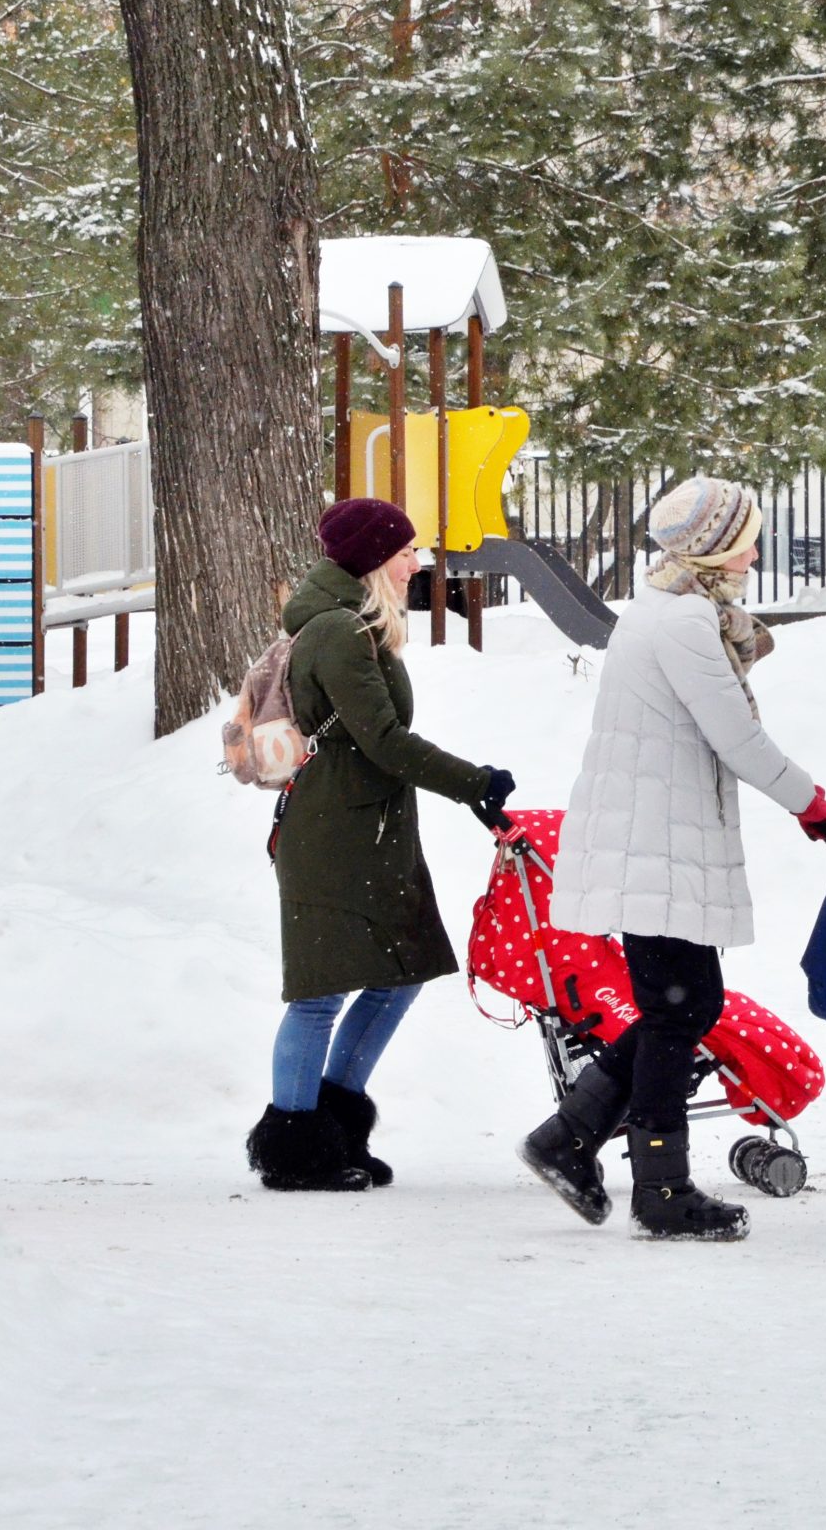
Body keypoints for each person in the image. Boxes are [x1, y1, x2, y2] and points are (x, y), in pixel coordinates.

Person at [519, 475, 826, 1242]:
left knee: (684, 1008)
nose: (757, 553)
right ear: (712, 549)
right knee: (676, 1014)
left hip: (655, 836)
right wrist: (808, 798)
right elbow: (735, 737)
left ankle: (568, 1138)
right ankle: (658, 1188)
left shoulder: (671, 611)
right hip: (653, 841)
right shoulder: (684, 624)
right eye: (746, 540)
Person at [251, 497, 516, 1192]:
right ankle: (294, 1146)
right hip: (336, 833)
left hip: (367, 827)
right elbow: (384, 740)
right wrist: (474, 782)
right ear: (374, 559)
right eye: (405, 551)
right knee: (318, 994)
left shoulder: (357, 625)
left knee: (398, 975)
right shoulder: (338, 632)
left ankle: (332, 1126)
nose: (417, 562)